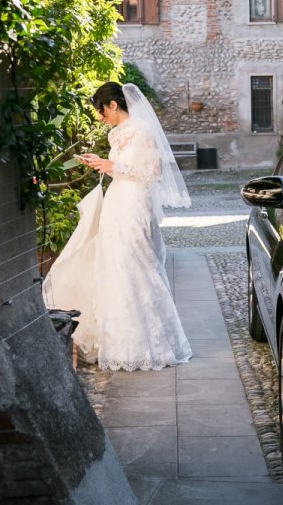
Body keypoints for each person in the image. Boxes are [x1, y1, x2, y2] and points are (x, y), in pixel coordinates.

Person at [43, 82, 193, 371]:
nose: (100, 117)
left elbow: (151, 173)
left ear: (113, 105)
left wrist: (112, 167)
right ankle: (118, 342)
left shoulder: (143, 130)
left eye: (101, 111)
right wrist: (101, 165)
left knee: (135, 264)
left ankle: (148, 345)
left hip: (135, 205)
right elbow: (121, 171)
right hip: (116, 202)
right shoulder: (115, 134)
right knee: (112, 266)